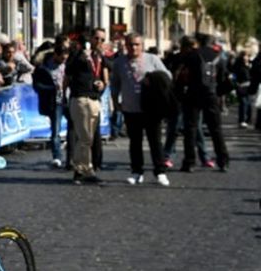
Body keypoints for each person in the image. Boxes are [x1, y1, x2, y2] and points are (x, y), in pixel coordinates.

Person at [110, 33, 171, 186]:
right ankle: (137, 172)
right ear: (125, 45)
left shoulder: (152, 59)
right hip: (130, 108)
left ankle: (160, 171)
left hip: (151, 108)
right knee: (135, 142)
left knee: (155, 141)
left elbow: (167, 76)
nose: (133, 48)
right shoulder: (119, 63)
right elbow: (115, 84)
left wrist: (153, 79)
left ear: (142, 46)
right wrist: (115, 102)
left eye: (137, 44)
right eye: (130, 44)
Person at [175, 34, 229, 172]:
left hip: (193, 93)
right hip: (211, 94)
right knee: (216, 129)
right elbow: (223, 78)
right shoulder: (218, 56)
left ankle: (189, 161)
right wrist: (218, 93)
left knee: (190, 128)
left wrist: (180, 93)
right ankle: (223, 160)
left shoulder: (192, 55)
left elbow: (182, 76)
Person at [63, 36, 106, 185]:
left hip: (94, 98)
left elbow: (101, 75)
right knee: (84, 137)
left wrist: (101, 84)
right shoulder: (77, 56)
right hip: (80, 98)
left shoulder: (98, 57)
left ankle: (86, 169)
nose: (99, 42)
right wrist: (80, 57)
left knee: (89, 138)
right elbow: (68, 73)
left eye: (102, 40)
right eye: (97, 39)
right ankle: (80, 170)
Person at [31, 42, 69, 169]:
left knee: (75, 128)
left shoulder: (69, 65)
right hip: (55, 102)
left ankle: (72, 156)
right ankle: (57, 156)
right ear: (55, 55)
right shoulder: (43, 67)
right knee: (56, 130)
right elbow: (37, 85)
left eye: (66, 57)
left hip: (69, 100)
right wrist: (52, 88)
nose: (63, 60)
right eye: (61, 57)